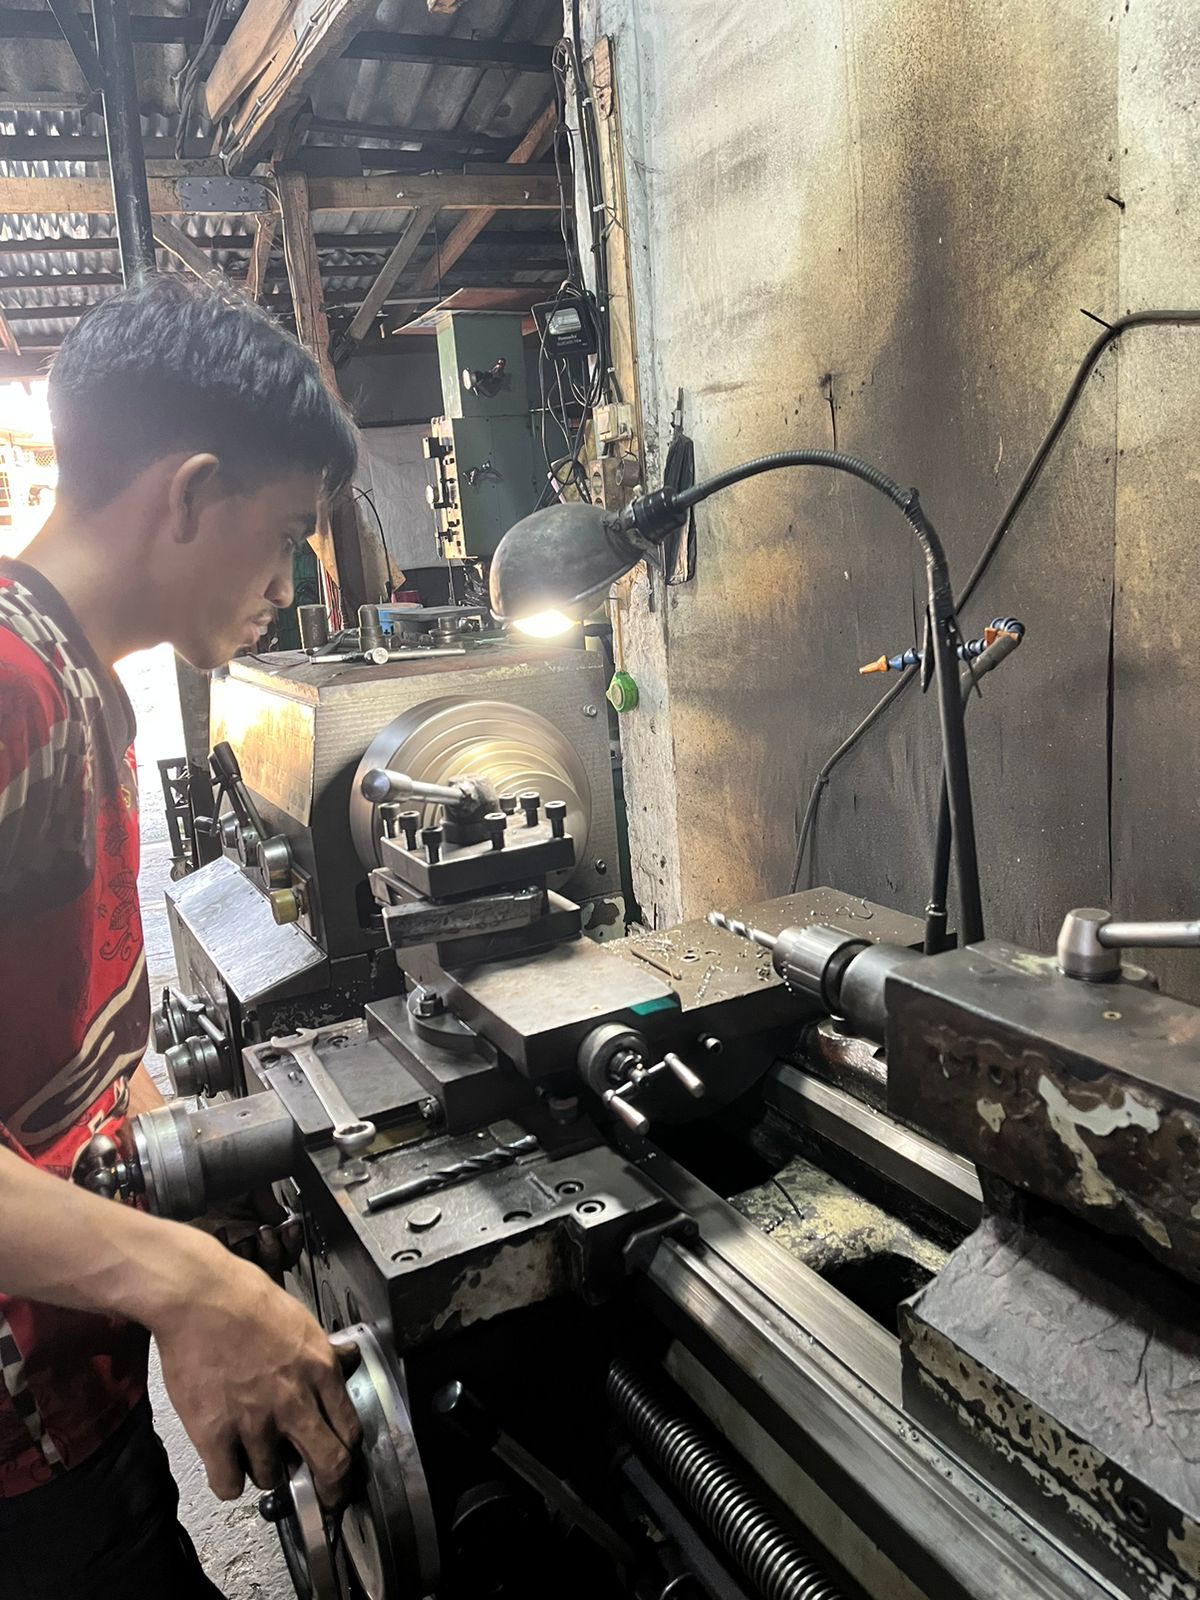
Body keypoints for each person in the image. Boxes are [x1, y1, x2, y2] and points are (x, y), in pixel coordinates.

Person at [0, 275, 362, 1599]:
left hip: (70, 1407)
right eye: (287, 535)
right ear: (193, 494)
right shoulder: (11, 684)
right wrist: (181, 1280)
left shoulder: (80, 689)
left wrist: (169, 1199)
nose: (289, 582)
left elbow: (59, 1064)